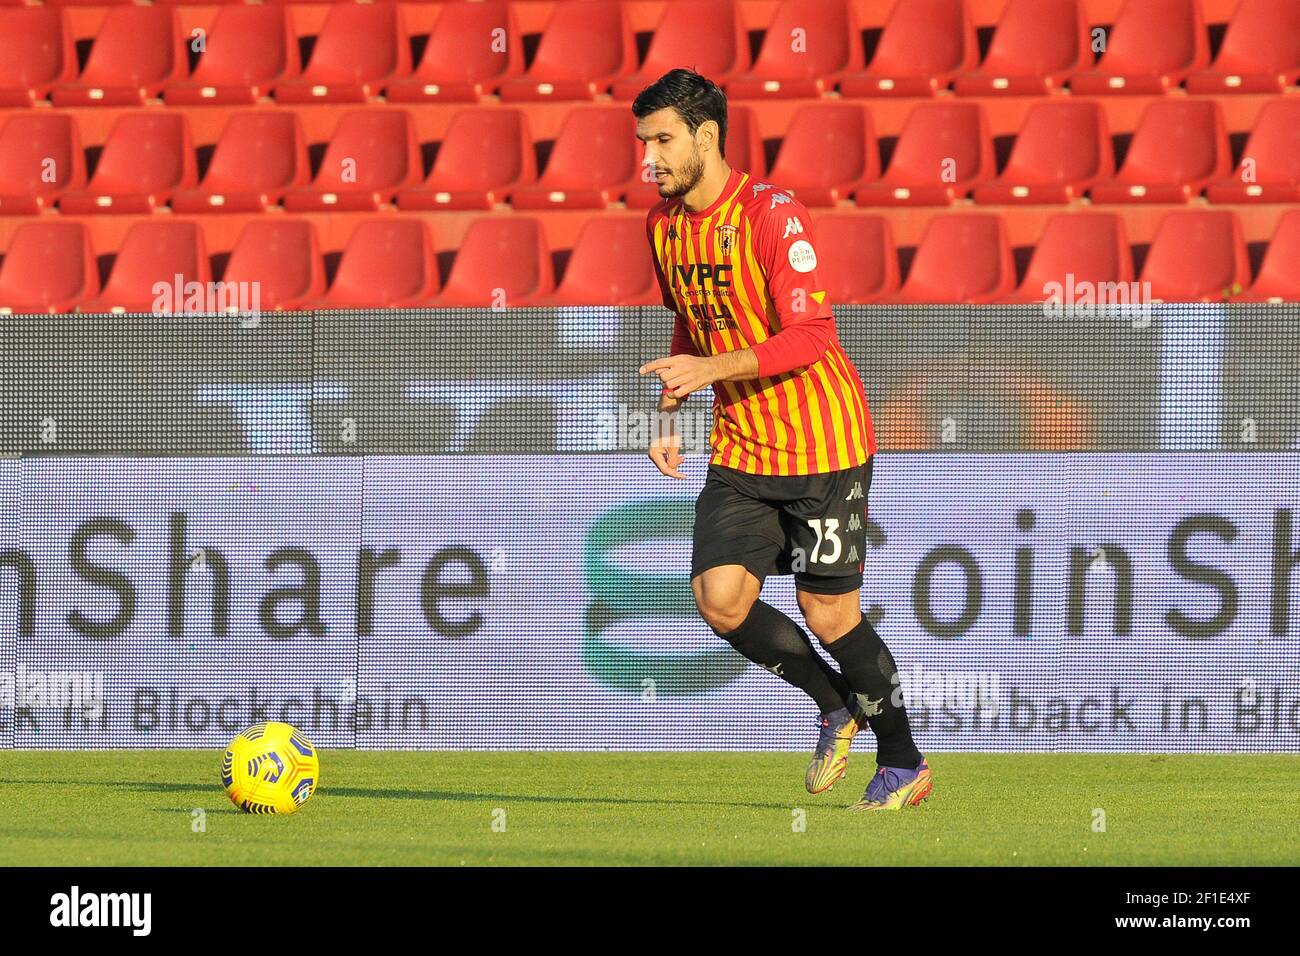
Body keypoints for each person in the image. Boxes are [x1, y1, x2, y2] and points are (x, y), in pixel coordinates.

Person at [635, 69, 930, 810]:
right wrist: (672, 404)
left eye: (663, 140)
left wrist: (708, 369)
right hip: (742, 445)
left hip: (824, 442)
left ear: (706, 137)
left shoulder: (773, 215)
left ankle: (902, 761)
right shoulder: (662, 225)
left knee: (831, 615)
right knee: (720, 599)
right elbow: (691, 320)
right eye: (644, 143)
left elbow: (811, 334)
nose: (650, 158)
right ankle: (836, 706)